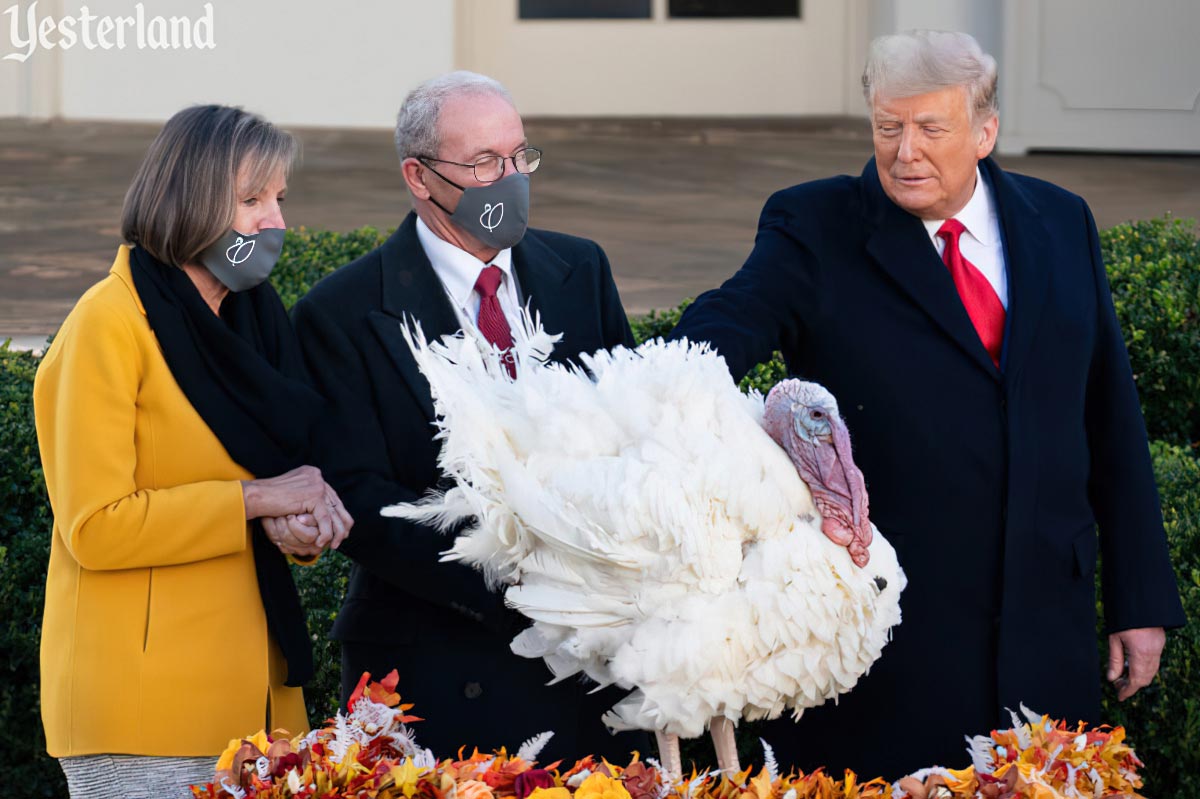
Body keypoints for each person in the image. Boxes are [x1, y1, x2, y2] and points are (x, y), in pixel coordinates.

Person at [668, 30, 1185, 778]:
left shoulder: (1061, 220)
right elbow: (734, 316)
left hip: (1049, 632)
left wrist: (1139, 598)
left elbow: (1110, 419)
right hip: (890, 642)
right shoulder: (814, 225)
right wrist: (672, 378)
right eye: (888, 127)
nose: (905, 151)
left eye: (930, 129)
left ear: (985, 131)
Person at [291, 71, 644, 762]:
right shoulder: (343, 311)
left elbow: (633, 424)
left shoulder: (581, 269)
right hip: (437, 660)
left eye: (519, 156)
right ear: (419, 177)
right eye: (484, 163)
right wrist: (522, 570)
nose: (510, 178)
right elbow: (357, 495)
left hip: (586, 662)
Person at [34, 105, 353, 799]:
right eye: (251, 200)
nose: (277, 222)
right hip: (143, 712)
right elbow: (96, 525)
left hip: (261, 707)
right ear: (190, 201)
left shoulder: (252, 324)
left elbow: (260, 491)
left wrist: (297, 527)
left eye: (279, 199)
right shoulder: (107, 323)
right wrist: (263, 498)